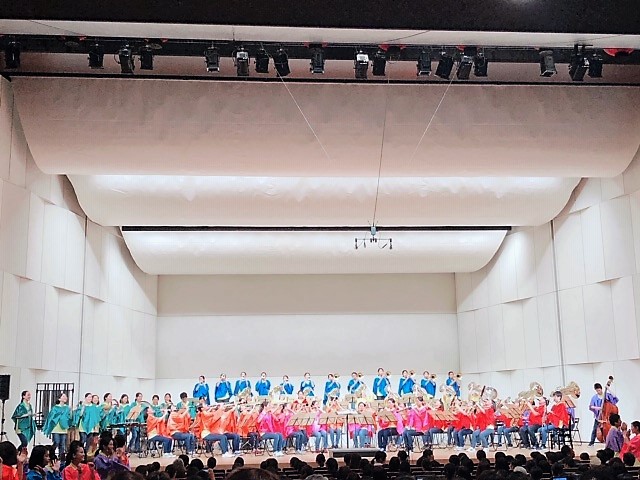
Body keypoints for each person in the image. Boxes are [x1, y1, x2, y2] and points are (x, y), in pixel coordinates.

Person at [43, 393, 73, 460]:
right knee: (56, 442)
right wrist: (59, 415)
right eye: (63, 396)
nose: (65, 397)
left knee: (62, 444)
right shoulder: (55, 408)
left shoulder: (67, 408)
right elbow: (51, 417)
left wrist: (70, 412)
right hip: (56, 428)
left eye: (66, 396)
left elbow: (69, 417)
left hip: (64, 428)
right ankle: (51, 454)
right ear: (59, 399)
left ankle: (61, 458)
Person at [588, 381, 619, 446]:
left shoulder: (606, 395)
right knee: (595, 429)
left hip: (606, 416)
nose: (598, 391)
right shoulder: (595, 397)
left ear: (601, 389)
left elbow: (615, 397)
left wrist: (608, 388)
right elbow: (591, 406)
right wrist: (598, 408)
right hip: (599, 416)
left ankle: (610, 441)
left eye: (599, 390)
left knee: (609, 429)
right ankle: (592, 442)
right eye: (597, 390)